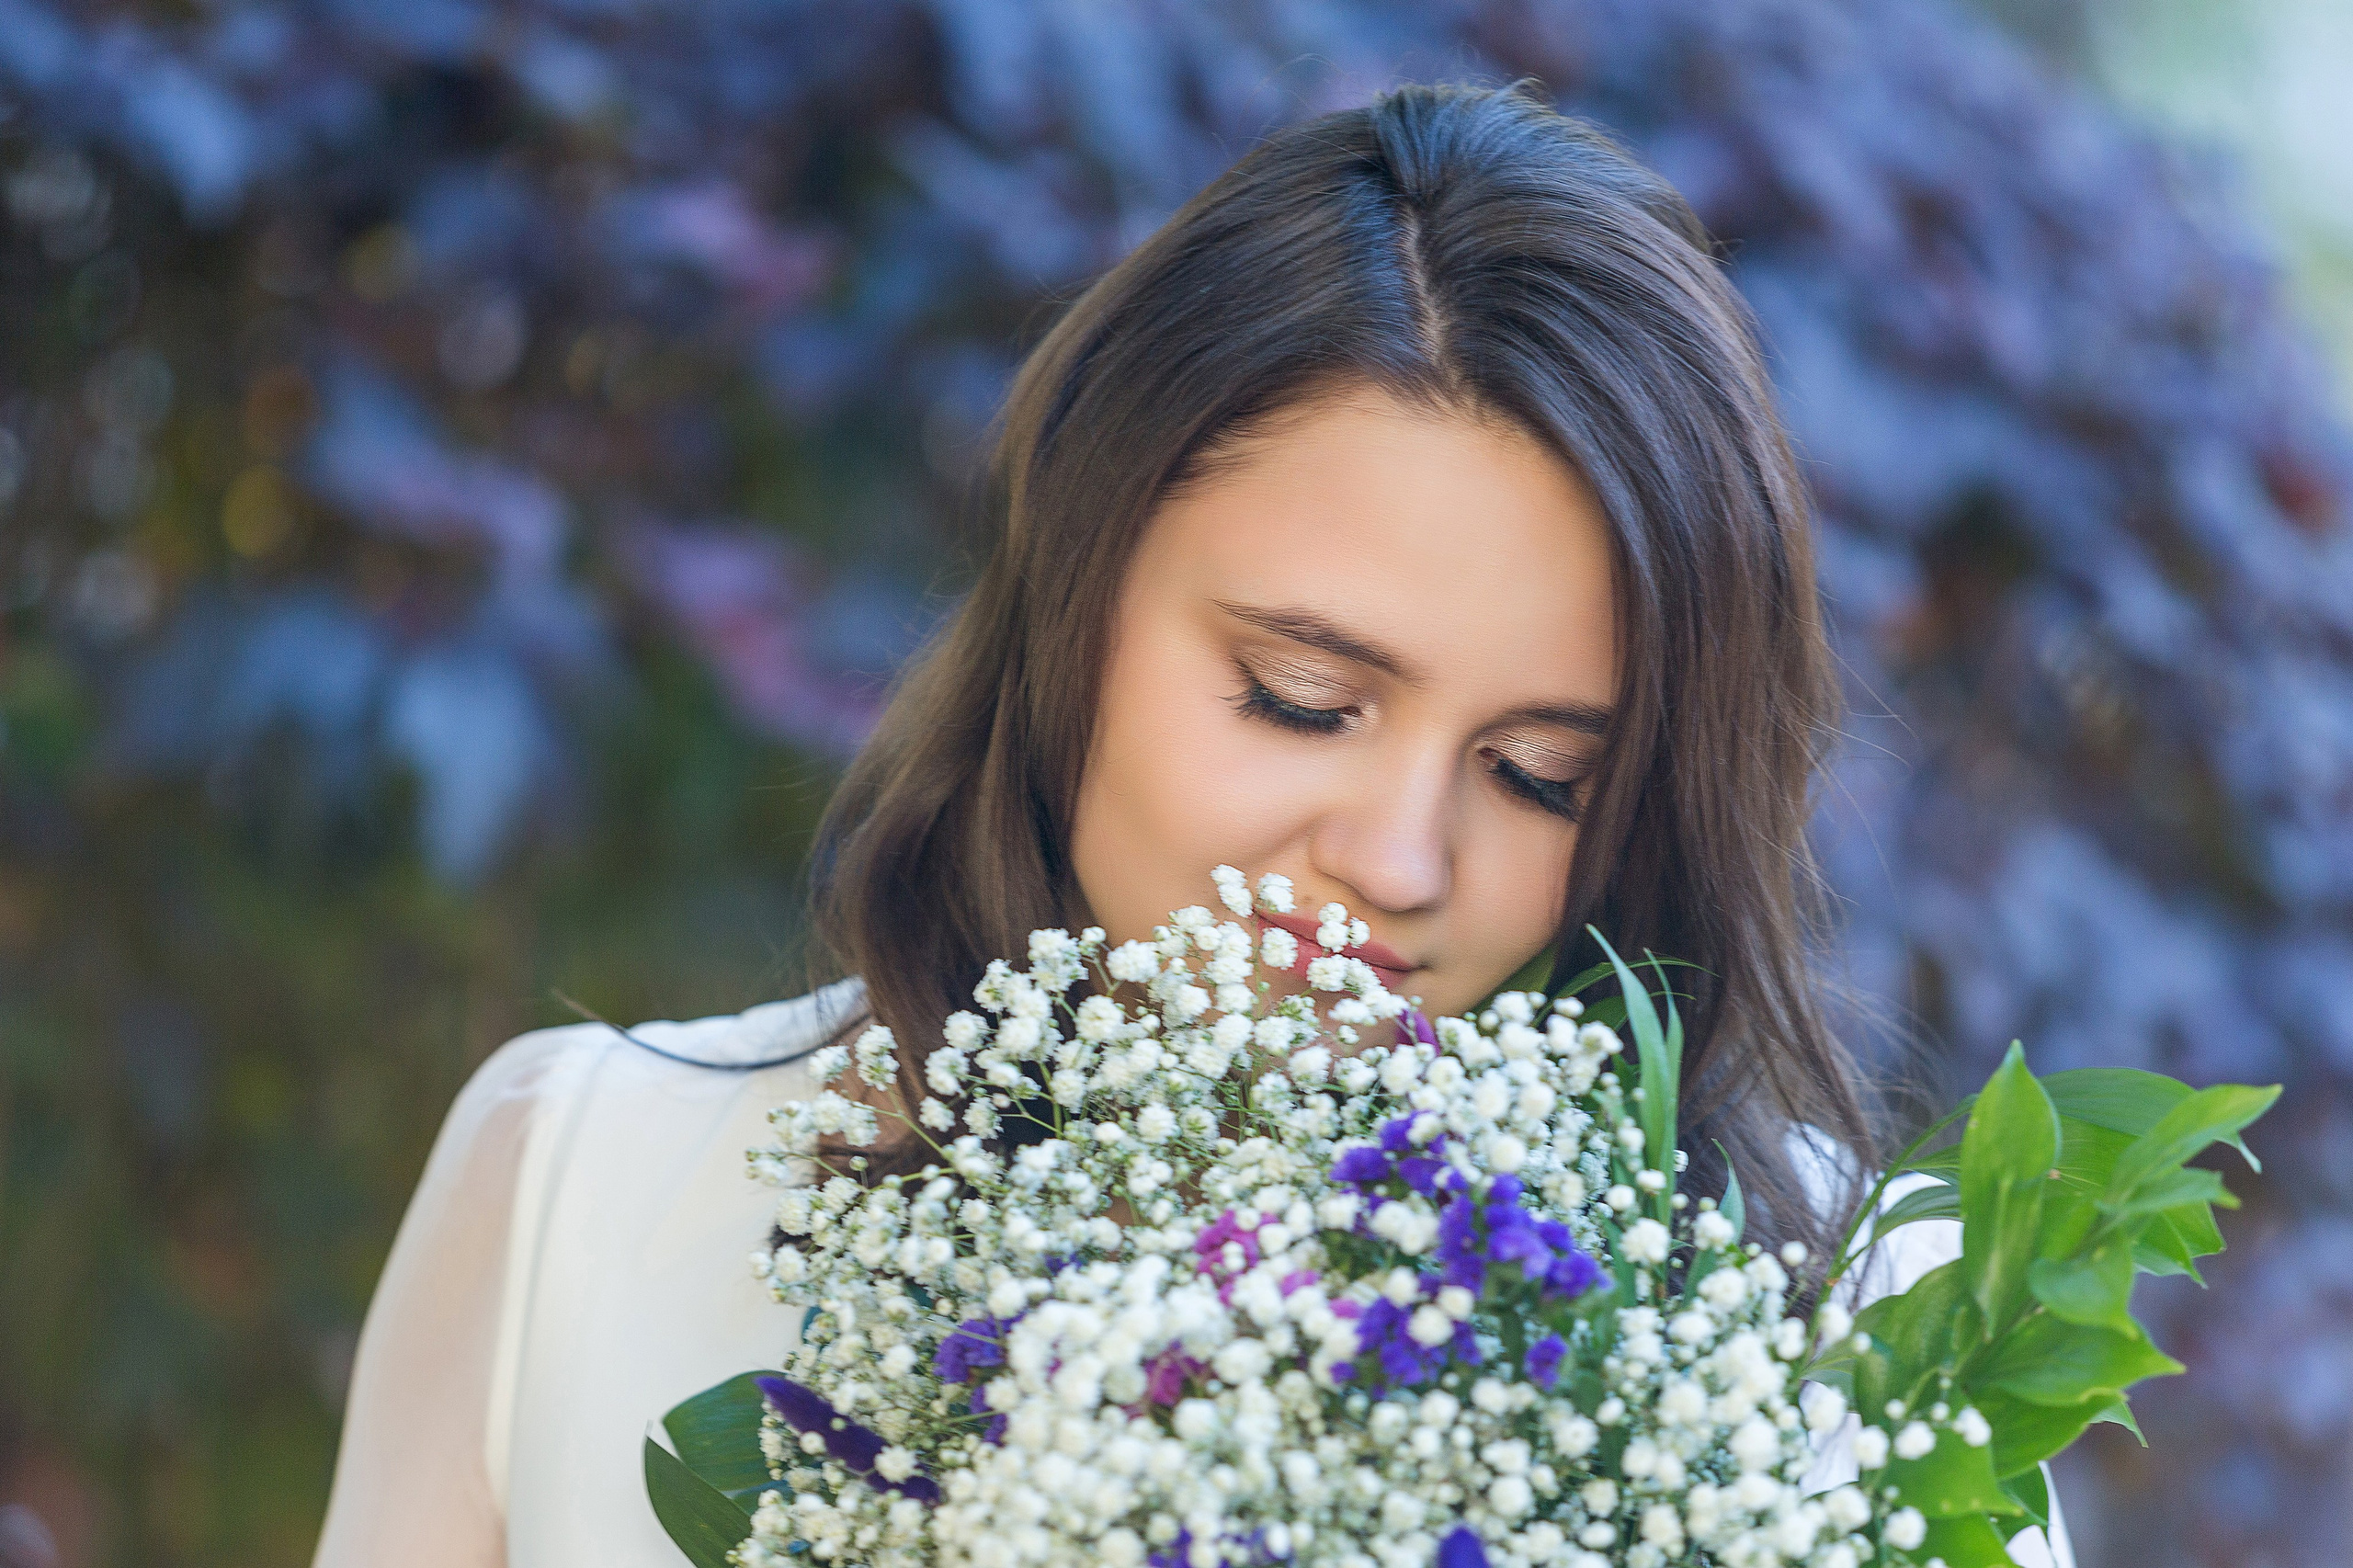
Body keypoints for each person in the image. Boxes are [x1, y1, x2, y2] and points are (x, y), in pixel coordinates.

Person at [310, 82, 2069, 1566]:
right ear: (1076, 597)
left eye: (1544, 774)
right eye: (1302, 698)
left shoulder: (1861, 1322)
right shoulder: (580, 1181)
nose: (1401, 859)